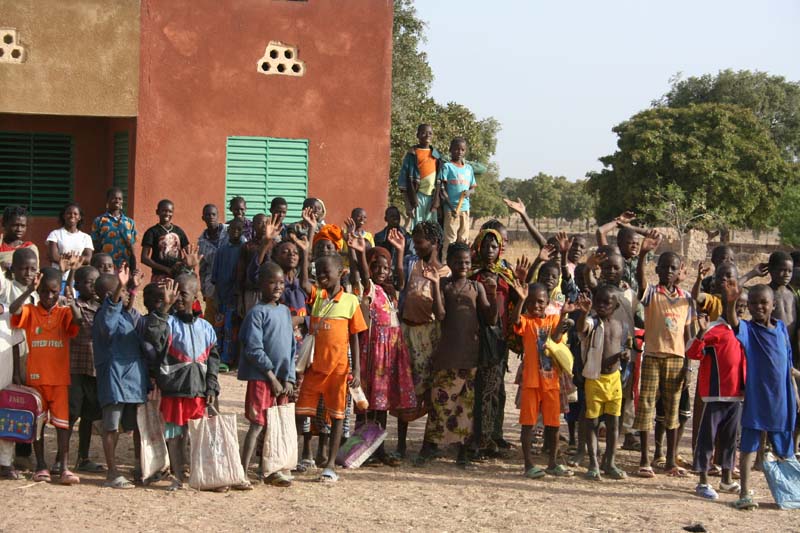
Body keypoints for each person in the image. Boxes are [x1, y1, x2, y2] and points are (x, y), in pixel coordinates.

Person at [416, 242, 497, 467]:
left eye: (467, 262)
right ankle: (429, 446)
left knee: (465, 405)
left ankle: (462, 451)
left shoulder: (477, 287)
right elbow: (440, 314)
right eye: (459, 262)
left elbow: (491, 318)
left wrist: (492, 294)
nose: (463, 265)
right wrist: (434, 286)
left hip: (470, 355)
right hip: (447, 354)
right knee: (439, 402)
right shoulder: (444, 285)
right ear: (450, 263)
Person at [723, 280, 798, 510]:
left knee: (785, 448)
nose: (758, 307)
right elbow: (734, 323)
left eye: (763, 303)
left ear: (773, 305)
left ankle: (792, 492)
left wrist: (795, 390)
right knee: (748, 446)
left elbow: (787, 363)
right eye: (753, 303)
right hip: (758, 398)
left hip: (781, 398)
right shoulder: (749, 330)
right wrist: (731, 301)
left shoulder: (782, 329)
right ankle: (745, 492)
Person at [141, 274, 220, 491]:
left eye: (183, 294)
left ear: (196, 296)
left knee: (197, 436)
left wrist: (211, 385)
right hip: (174, 391)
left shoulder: (206, 328)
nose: (178, 298)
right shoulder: (167, 323)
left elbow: (213, 360)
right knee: (175, 436)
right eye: (175, 293)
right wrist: (163, 309)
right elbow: (153, 337)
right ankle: (178, 476)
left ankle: (198, 474)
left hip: (198, 392)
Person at [295, 254, 367, 482]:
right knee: (302, 413)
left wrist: (356, 370)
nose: (322, 276)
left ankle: (329, 464)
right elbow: (303, 283)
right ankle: (297, 456)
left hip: (338, 370)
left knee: (337, 416)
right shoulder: (317, 296)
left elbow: (355, 337)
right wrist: (306, 252)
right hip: (314, 368)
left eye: (327, 272)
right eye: (319, 272)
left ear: (341, 273)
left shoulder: (351, 301)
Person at [347, 230, 415, 466]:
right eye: (377, 267)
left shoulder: (390, 292)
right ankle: (361, 449)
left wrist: (399, 253)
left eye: (385, 269)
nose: (381, 272)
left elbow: (401, 277)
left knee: (382, 404)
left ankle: (379, 448)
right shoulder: (369, 289)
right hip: (372, 353)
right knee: (368, 404)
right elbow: (364, 274)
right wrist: (359, 253)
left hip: (390, 354)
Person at [10, 267, 82, 484]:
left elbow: (78, 322)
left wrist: (72, 303)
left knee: (62, 425)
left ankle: (64, 467)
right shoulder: (30, 310)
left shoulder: (64, 313)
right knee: (38, 424)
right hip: (35, 379)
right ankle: (41, 464)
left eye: (52, 292)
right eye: (43, 292)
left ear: (58, 291)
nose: (48, 296)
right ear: (38, 291)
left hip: (59, 380)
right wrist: (28, 292)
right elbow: (14, 310)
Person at [633, 234, 695, 479]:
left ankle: (670, 459)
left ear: (680, 270)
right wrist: (641, 255)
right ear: (657, 270)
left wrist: (688, 365)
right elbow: (640, 281)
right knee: (647, 408)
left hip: (677, 360)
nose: (669, 271)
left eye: (673, 267)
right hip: (652, 356)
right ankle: (645, 459)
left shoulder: (686, 298)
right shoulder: (650, 293)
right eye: (665, 267)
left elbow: (688, 334)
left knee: (672, 410)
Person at [394, 221, 449, 457]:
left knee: (428, 388)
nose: (415, 246)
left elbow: (441, 310)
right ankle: (401, 444)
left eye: (420, 242)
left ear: (434, 243)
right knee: (405, 387)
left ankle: (429, 443)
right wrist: (398, 254)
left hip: (429, 334)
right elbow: (400, 285)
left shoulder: (445, 273)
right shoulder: (412, 264)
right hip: (407, 331)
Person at [238, 262, 296, 487]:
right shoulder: (256, 313)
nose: (278, 287)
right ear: (261, 285)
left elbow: (291, 347)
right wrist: (271, 376)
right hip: (263, 379)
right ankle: (242, 471)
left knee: (276, 426)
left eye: (281, 282)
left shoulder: (284, 311)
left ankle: (270, 469)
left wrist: (289, 377)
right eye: (272, 282)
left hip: (281, 381)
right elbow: (253, 348)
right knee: (258, 424)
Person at [512, 281, 575, 478]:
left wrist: (564, 314)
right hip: (531, 381)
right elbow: (515, 321)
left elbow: (556, 339)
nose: (535, 306)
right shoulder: (526, 321)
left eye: (540, 302)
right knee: (528, 424)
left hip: (551, 381)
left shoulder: (553, 319)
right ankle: (528, 464)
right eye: (531, 302)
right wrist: (521, 301)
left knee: (553, 424)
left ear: (547, 302)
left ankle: (553, 463)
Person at [93, 265, 147, 489]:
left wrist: (131, 289)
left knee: (135, 425)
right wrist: (121, 287)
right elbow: (111, 317)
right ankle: (112, 472)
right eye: (122, 292)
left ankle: (139, 465)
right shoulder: (103, 317)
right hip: (115, 379)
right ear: (110, 295)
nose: (126, 295)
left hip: (132, 379)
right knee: (111, 426)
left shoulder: (123, 314)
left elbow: (124, 310)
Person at [686, 301, 746, 500]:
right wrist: (701, 333)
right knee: (707, 438)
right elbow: (692, 352)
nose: (740, 309)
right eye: (736, 305)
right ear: (724, 308)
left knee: (731, 439)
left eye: (743, 306)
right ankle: (702, 481)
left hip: (737, 395)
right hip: (714, 395)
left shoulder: (743, 331)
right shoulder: (714, 329)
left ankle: (726, 479)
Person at [575, 288, 630, 480]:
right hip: (595, 379)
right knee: (593, 422)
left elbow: (623, 346)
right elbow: (581, 329)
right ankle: (593, 463)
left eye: (607, 302)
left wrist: (625, 355)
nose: (602, 305)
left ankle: (610, 461)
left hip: (614, 378)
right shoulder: (593, 321)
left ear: (616, 306)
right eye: (598, 301)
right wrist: (583, 312)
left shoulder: (620, 325)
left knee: (614, 423)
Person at [0, 247, 39, 479]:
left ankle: (7, 462)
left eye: (32, 269)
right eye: (23, 268)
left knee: (10, 408)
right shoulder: (7, 289)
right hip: (7, 352)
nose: (28, 273)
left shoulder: (35, 294)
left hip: (19, 355)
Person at [66, 265, 105, 474]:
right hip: (76, 368)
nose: (94, 286)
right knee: (71, 413)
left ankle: (83, 456)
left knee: (89, 415)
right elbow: (76, 322)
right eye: (89, 282)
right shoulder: (74, 305)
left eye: (96, 281)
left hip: (94, 369)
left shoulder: (102, 307)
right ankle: (60, 459)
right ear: (78, 285)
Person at [212, 219, 244, 372]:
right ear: (228, 231)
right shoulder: (222, 251)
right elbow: (215, 277)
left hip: (234, 298)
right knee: (218, 328)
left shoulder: (244, 250)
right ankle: (216, 357)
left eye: (239, 229)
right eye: (233, 229)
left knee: (231, 330)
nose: (235, 232)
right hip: (221, 296)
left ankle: (227, 359)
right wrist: (216, 297)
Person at [398, 123, 443, 226]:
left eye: (430, 133)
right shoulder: (412, 155)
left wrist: (437, 200)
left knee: (431, 228)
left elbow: (440, 180)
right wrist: (408, 204)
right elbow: (403, 181)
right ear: (417, 135)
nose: (427, 135)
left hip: (432, 197)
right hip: (417, 197)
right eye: (423, 133)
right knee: (418, 227)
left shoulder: (436, 156)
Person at [440, 137, 476, 252]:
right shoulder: (447, 167)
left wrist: (468, 192)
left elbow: (473, 188)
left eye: (462, 150)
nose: (459, 152)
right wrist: (451, 207)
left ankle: (460, 265)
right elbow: (442, 191)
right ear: (450, 150)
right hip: (451, 210)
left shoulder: (469, 169)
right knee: (450, 240)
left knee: (463, 240)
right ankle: (446, 266)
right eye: (456, 149)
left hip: (465, 209)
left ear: (465, 151)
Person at [140, 199, 190, 283]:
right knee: (159, 295)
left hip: (178, 276)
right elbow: (144, 258)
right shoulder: (152, 232)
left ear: (173, 213)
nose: (167, 214)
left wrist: (181, 265)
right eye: (164, 211)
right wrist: (166, 269)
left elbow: (188, 253)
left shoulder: (179, 231)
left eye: (170, 211)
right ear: (157, 212)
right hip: (159, 276)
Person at [91, 187, 137, 270]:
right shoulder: (99, 221)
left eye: (120, 199)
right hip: (105, 267)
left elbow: (132, 246)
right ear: (107, 200)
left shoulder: (129, 222)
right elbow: (95, 246)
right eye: (114, 198)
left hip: (125, 266)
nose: (117, 201)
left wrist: (133, 267)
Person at [46, 203, 93, 282]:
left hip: (78, 279)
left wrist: (71, 260)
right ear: (64, 216)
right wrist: (73, 260)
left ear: (79, 217)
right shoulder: (55, 234)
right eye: (69, 213)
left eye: (75, 214)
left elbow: (88, 258)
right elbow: (53, 256)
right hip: (59, 277)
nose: (72, 216)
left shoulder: (86, 237)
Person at [197, 203, 226, 321]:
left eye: (213, 214)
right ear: (203, 218)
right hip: (211, 286)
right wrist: (203, 290)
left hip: (230, 285)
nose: (211, 217)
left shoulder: (230, 232)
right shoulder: (201, 242)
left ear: (218, 216)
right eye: (208, 215)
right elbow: (202, 268)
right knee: (211, 319)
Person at [0, 205, 39, 270]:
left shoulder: (30, 248)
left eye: (23, 226)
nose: (19, 229)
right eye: (15, 225)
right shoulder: (0, 245)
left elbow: (35, 272)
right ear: (4, 224)